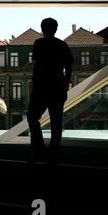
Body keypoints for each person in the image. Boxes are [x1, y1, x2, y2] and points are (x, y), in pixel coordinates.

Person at [27, 18, 73, 165]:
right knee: (56, 122)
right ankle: (53, 155)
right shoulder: (62, 45)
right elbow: (69, 67)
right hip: (57, 86)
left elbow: (37, 64)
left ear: (42, 28)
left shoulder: (38, 43)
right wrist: (65, 85)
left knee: (32, 117)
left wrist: (35, 79)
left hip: (41, 86)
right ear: (56, 28)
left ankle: (39, 152)